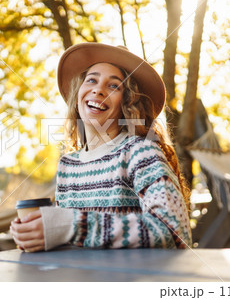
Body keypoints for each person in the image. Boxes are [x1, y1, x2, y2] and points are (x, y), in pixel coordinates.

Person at [10, 43, 192, 252]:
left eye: (113, 86)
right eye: (92, 80)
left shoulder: (141, 152)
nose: (98, 89)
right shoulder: (68, 165)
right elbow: (74, 241)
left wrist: (72, 225)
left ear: (127, 102)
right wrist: (39, 234)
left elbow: (173, 232)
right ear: (78, 93)